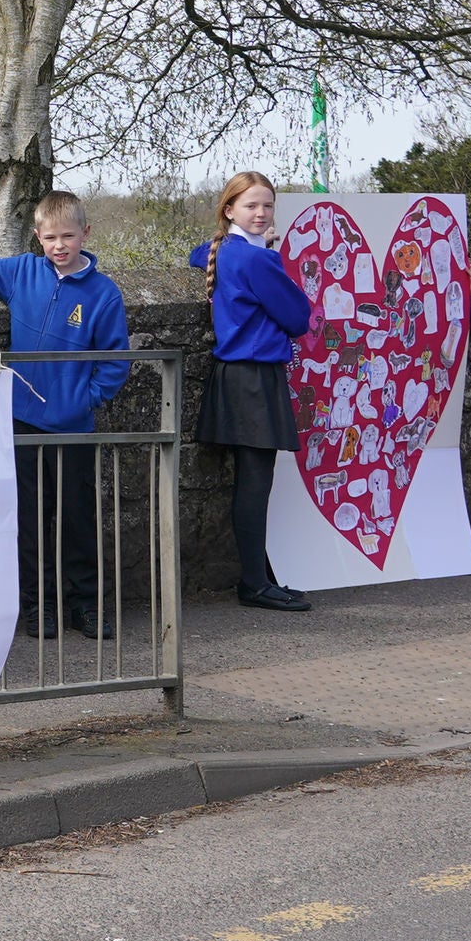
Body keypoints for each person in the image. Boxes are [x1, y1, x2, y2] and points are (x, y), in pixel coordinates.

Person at [0, 193, 131, 639]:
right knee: (27, 520)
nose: (59, 245)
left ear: (85, 234)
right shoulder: (22, 273)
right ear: (37, 236)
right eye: (50, 237)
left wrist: (84, 399)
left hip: (72, 427)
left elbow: (115, 361)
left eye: (68, 236)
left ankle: (85, 605)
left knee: (77, 519)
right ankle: (38, 606)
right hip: (20, 421)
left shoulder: (103, 293)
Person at [193, 172, 313, 612]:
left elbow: (197, 256)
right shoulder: (258, 260)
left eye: (267, 206)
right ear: (229, 211)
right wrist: (274, 253)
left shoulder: (221, 251)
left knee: (250, 482)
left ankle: (259, 578)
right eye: (251, 206)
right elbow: (300, 317)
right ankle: (254, 584)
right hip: (255, 379)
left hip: (232, 376)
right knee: (255, 484)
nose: (261, 214)